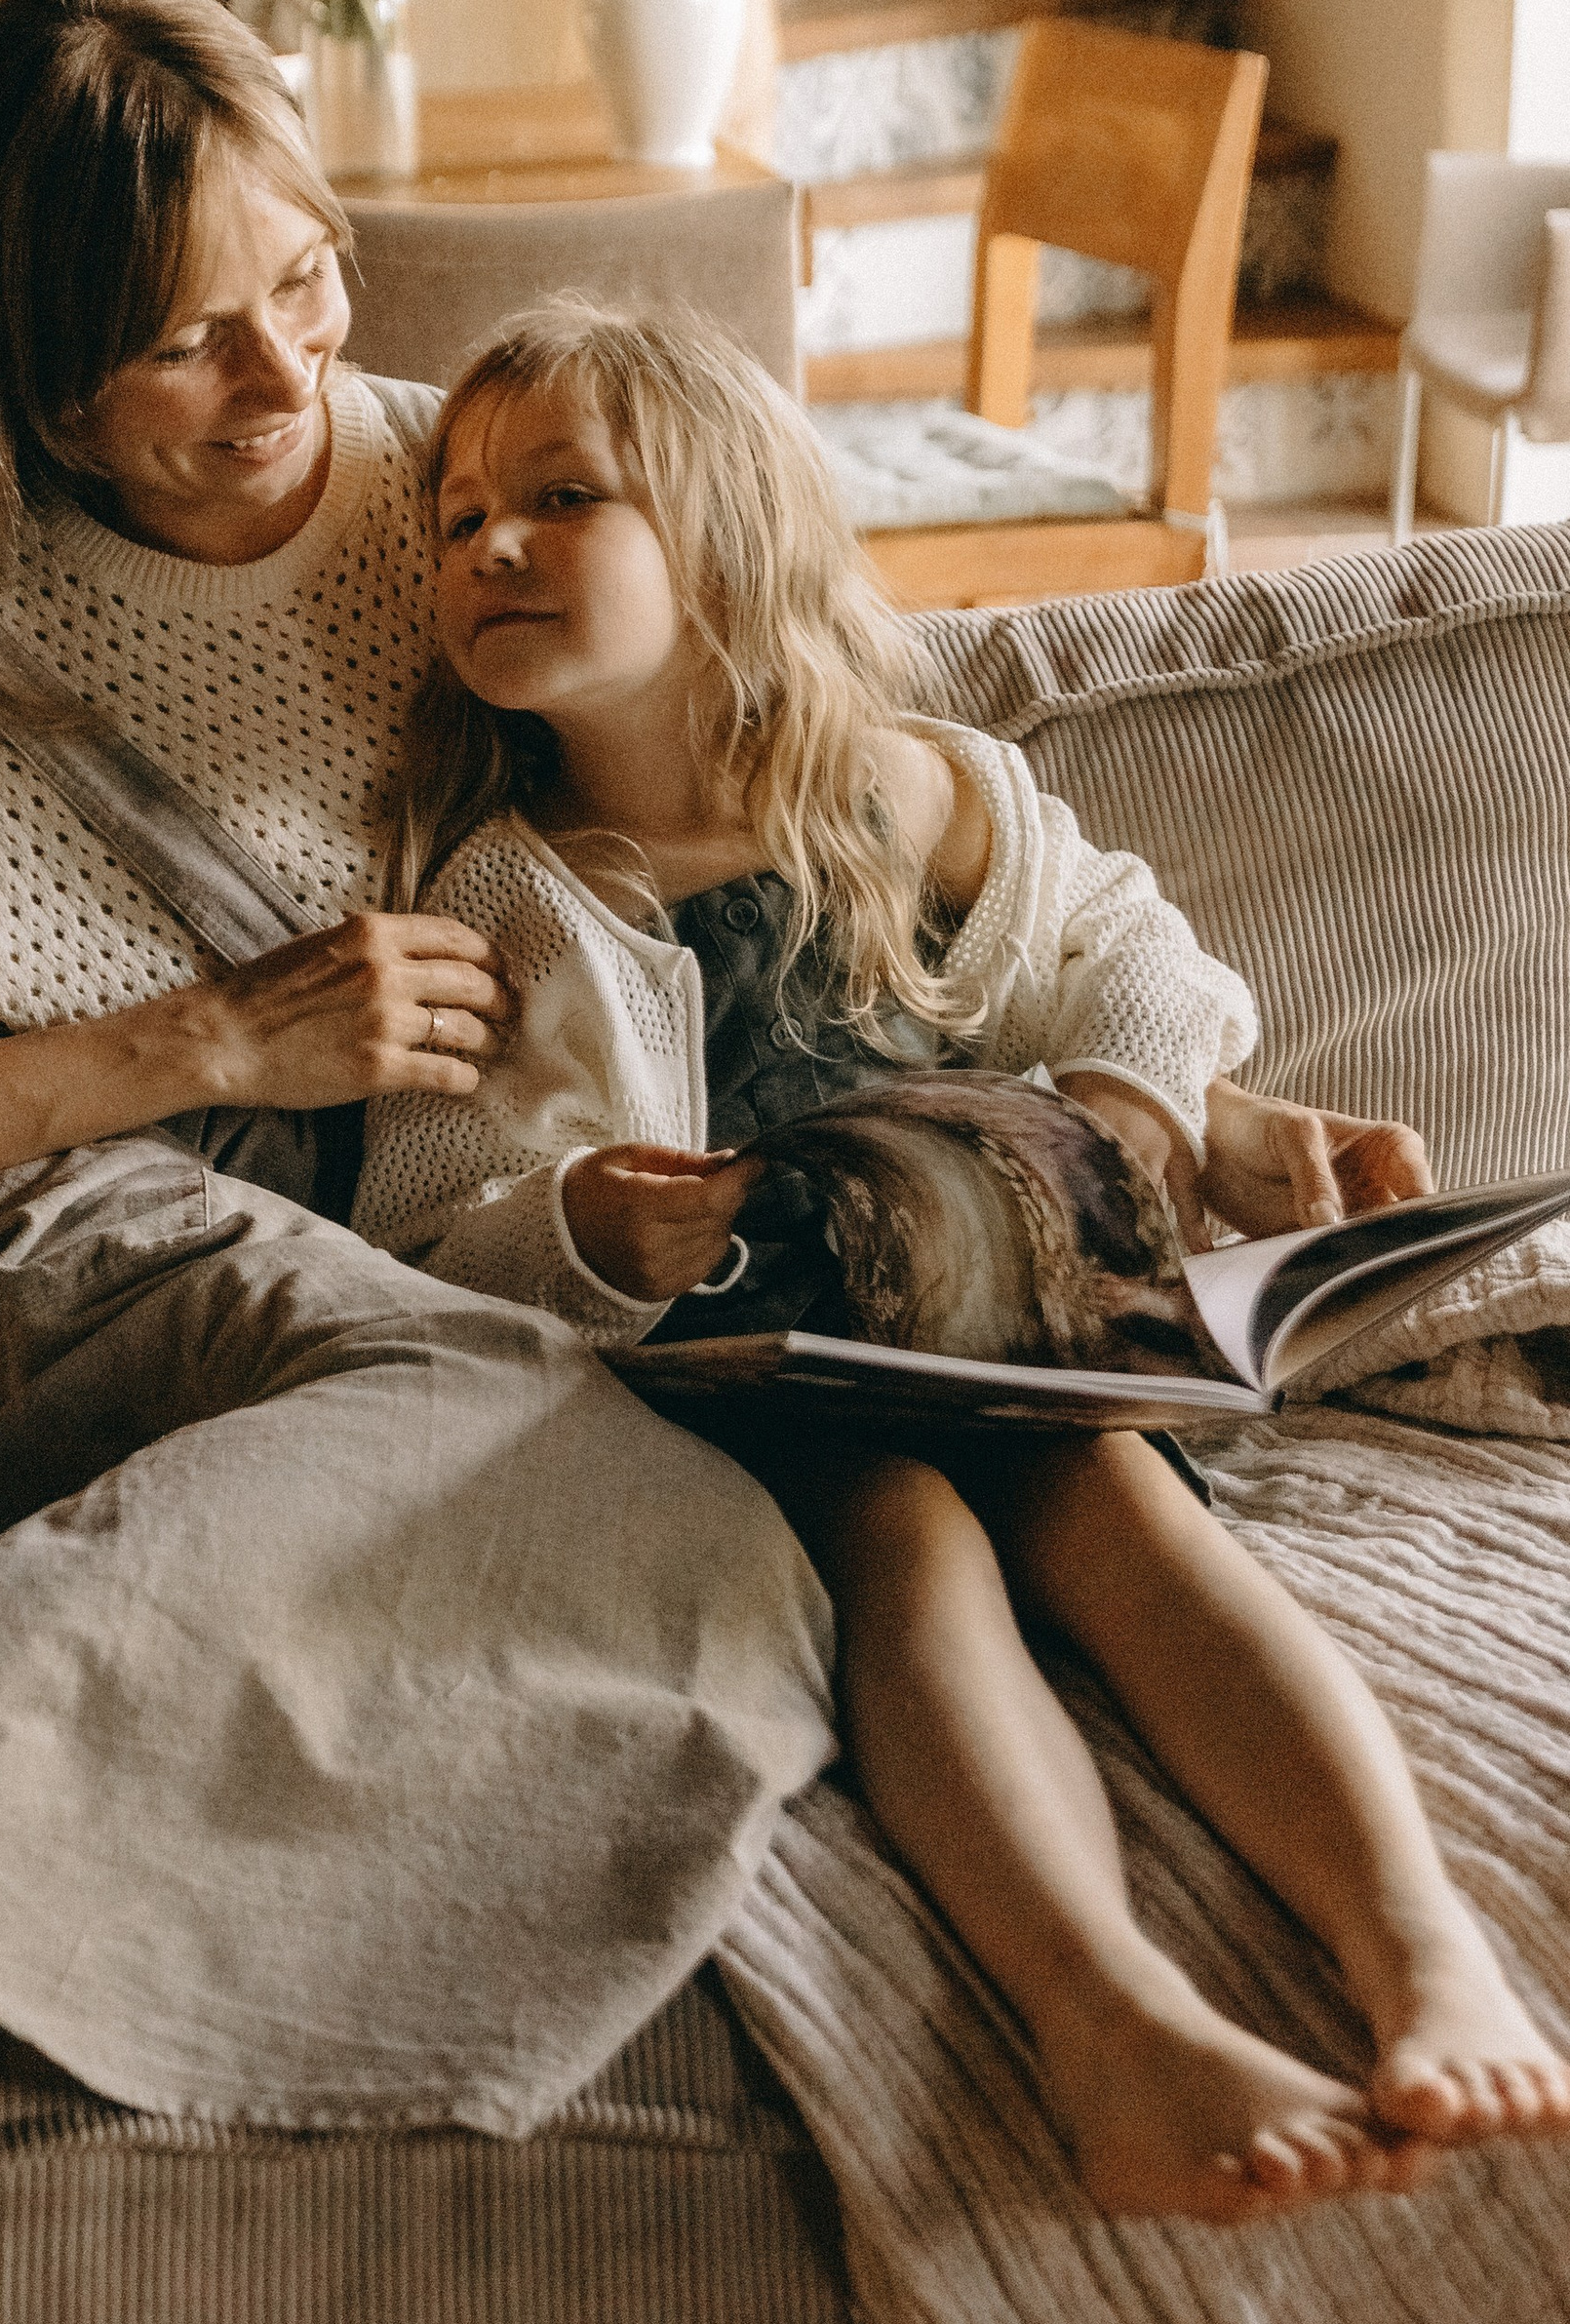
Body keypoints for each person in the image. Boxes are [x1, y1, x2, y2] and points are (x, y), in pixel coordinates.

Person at [0, 0, 1456, 2324]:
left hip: (329, 1280)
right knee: (588, 1468)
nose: (281, 381)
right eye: (179, 342)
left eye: (304, 279)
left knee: (710, 1570)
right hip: (3, 1255)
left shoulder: (467, 480)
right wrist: (209, 1039)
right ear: (32, 382)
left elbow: (823, 737)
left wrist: (1170, 1101)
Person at [351, 295, 1570, 2226]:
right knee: (904, 1538)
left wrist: (1144, 1112)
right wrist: (591, 1226)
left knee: (1113, 1504)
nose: (481, 545)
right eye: (448, 518)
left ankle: (1417, 1944)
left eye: (556, 498)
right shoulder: (506, 899)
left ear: (725, 539)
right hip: (756, 1395)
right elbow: (426, 1218)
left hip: (1003, 1328)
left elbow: (1141, 968)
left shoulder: (907, 799)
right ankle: (1108, 2024)